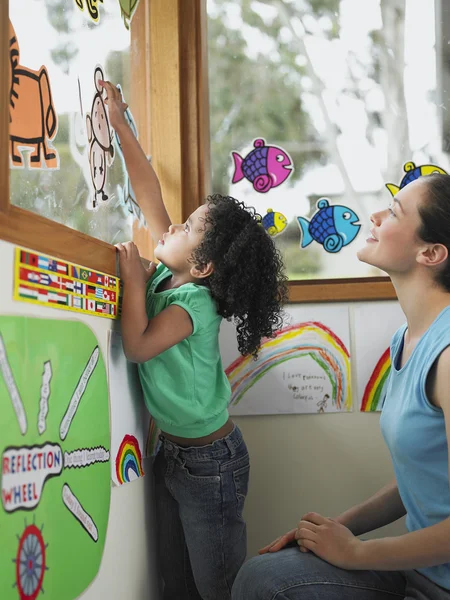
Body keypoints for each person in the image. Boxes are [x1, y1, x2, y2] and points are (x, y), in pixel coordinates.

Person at [100, 80, 288, 600]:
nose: (170, 228)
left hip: (212, 464)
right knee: (176, 580)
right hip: (175, 455)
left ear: (201, 265)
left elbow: (137, 346)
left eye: (184, 228)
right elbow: (148, 192)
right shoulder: (173, 271)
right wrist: (118, 124)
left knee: (217, 586)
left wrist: (134, 282)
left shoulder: (192, 304)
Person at [232, 173, 450, 600]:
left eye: (393, 212)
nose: (375, 215)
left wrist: (354, 553)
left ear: (432, 252)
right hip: (418, 571)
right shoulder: (407, 340)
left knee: (266, 586)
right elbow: (420, 482)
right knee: (262, 575)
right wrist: (337, 530)